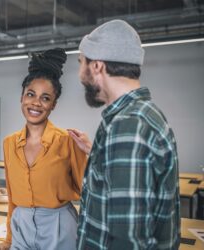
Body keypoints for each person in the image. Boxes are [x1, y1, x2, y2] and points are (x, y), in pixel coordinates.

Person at [72, 19, 180, 249]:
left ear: (97, 66)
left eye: (81, 62)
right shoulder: (143, 115)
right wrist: (98, 155)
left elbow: (128, 239)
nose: (80, 74)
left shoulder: (127, 127)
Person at [0, 48, 88, 250]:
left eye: (45, 98)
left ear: (53, 105)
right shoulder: (9, 143)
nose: (36, 103)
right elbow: (12, 198)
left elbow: (89, 193)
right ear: (22, 97)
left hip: (60, 226)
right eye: (31, 94)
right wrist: (9, 239)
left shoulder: (68, 141)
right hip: (21, 225)